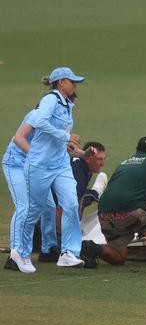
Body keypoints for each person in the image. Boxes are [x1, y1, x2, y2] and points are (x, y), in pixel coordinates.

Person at [9, 67, 90, 273]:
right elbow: (40, 122)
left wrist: (81, 154)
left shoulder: (66, 105)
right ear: (61, 82)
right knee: (34, 209)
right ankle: (21, 253)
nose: (75, 85)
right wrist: (65, 137)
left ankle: (68, 253)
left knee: (70, 204)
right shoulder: (50, 100)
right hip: (39, 165)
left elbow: (60, 141)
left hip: (60, 165)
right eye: (72, 81)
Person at [80, 136, 146, 267]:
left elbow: (133, 195)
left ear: (137, 149)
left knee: (119, 257)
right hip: (130, 213)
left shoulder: (123, 164)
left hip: (104, 215)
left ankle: (93, 248)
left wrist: (141, 227)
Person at [3, 110, 58, 270]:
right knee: (24, 207)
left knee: (49, 206)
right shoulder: (39, 115)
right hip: (16, 163)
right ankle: (15, 255)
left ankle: (48, 249)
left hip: (35, 167)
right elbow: (17, 138)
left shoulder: (60, 118)